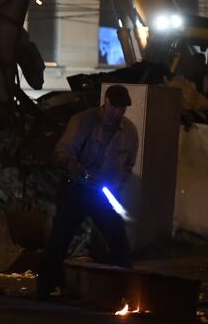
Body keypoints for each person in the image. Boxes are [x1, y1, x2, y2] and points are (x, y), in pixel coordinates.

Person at [37, 84, 139, 300]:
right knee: (60, 238)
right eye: (115, 107)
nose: (118, 113)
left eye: (123, 108)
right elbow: (62, 152)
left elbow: (128, 164)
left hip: (104, 194)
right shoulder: (83, 121)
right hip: (77, 189)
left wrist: (119, 184)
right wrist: (75, 168)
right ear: (106, 102)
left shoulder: (129, 131)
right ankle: (45, 287)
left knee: (118, 239)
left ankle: (129, 291)